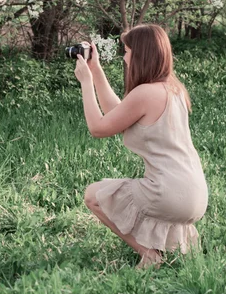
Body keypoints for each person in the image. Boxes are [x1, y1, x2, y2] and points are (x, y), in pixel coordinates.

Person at [73, 24, 208, 268]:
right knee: (125, 192)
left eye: (127, 51)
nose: (125, 57)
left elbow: (98, 128)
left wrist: (85, 83)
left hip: (168, 192)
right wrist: (96, 70)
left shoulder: (145, 93)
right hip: (195, 194)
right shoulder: (173, 89)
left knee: (94, 196)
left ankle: (149, 254)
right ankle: (172, 251)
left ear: (140, 54)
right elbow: (117, 113)